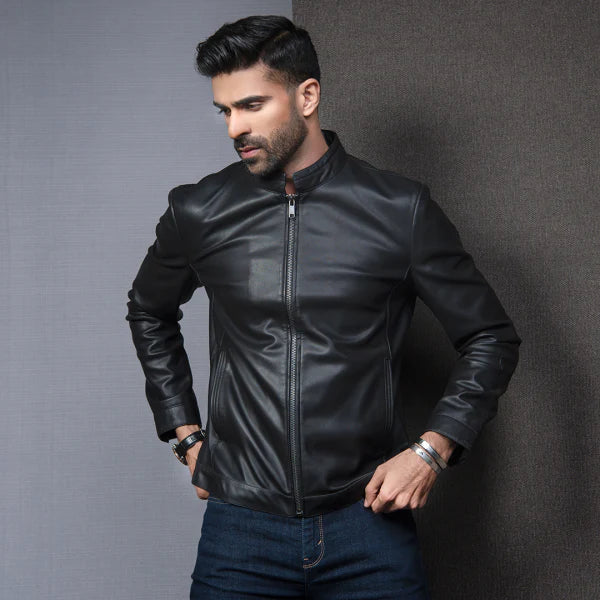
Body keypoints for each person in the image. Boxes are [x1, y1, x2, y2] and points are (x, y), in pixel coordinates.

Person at [125, 14, 522, 600]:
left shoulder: (398, 209)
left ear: (307, 96)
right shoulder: (200, 210)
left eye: (252, 105)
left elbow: (490, 337)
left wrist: (431, 451)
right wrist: (184, 433)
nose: (236, 127)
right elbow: (148, 310)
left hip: (368, 524)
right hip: (241, 530)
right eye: (225, 110)